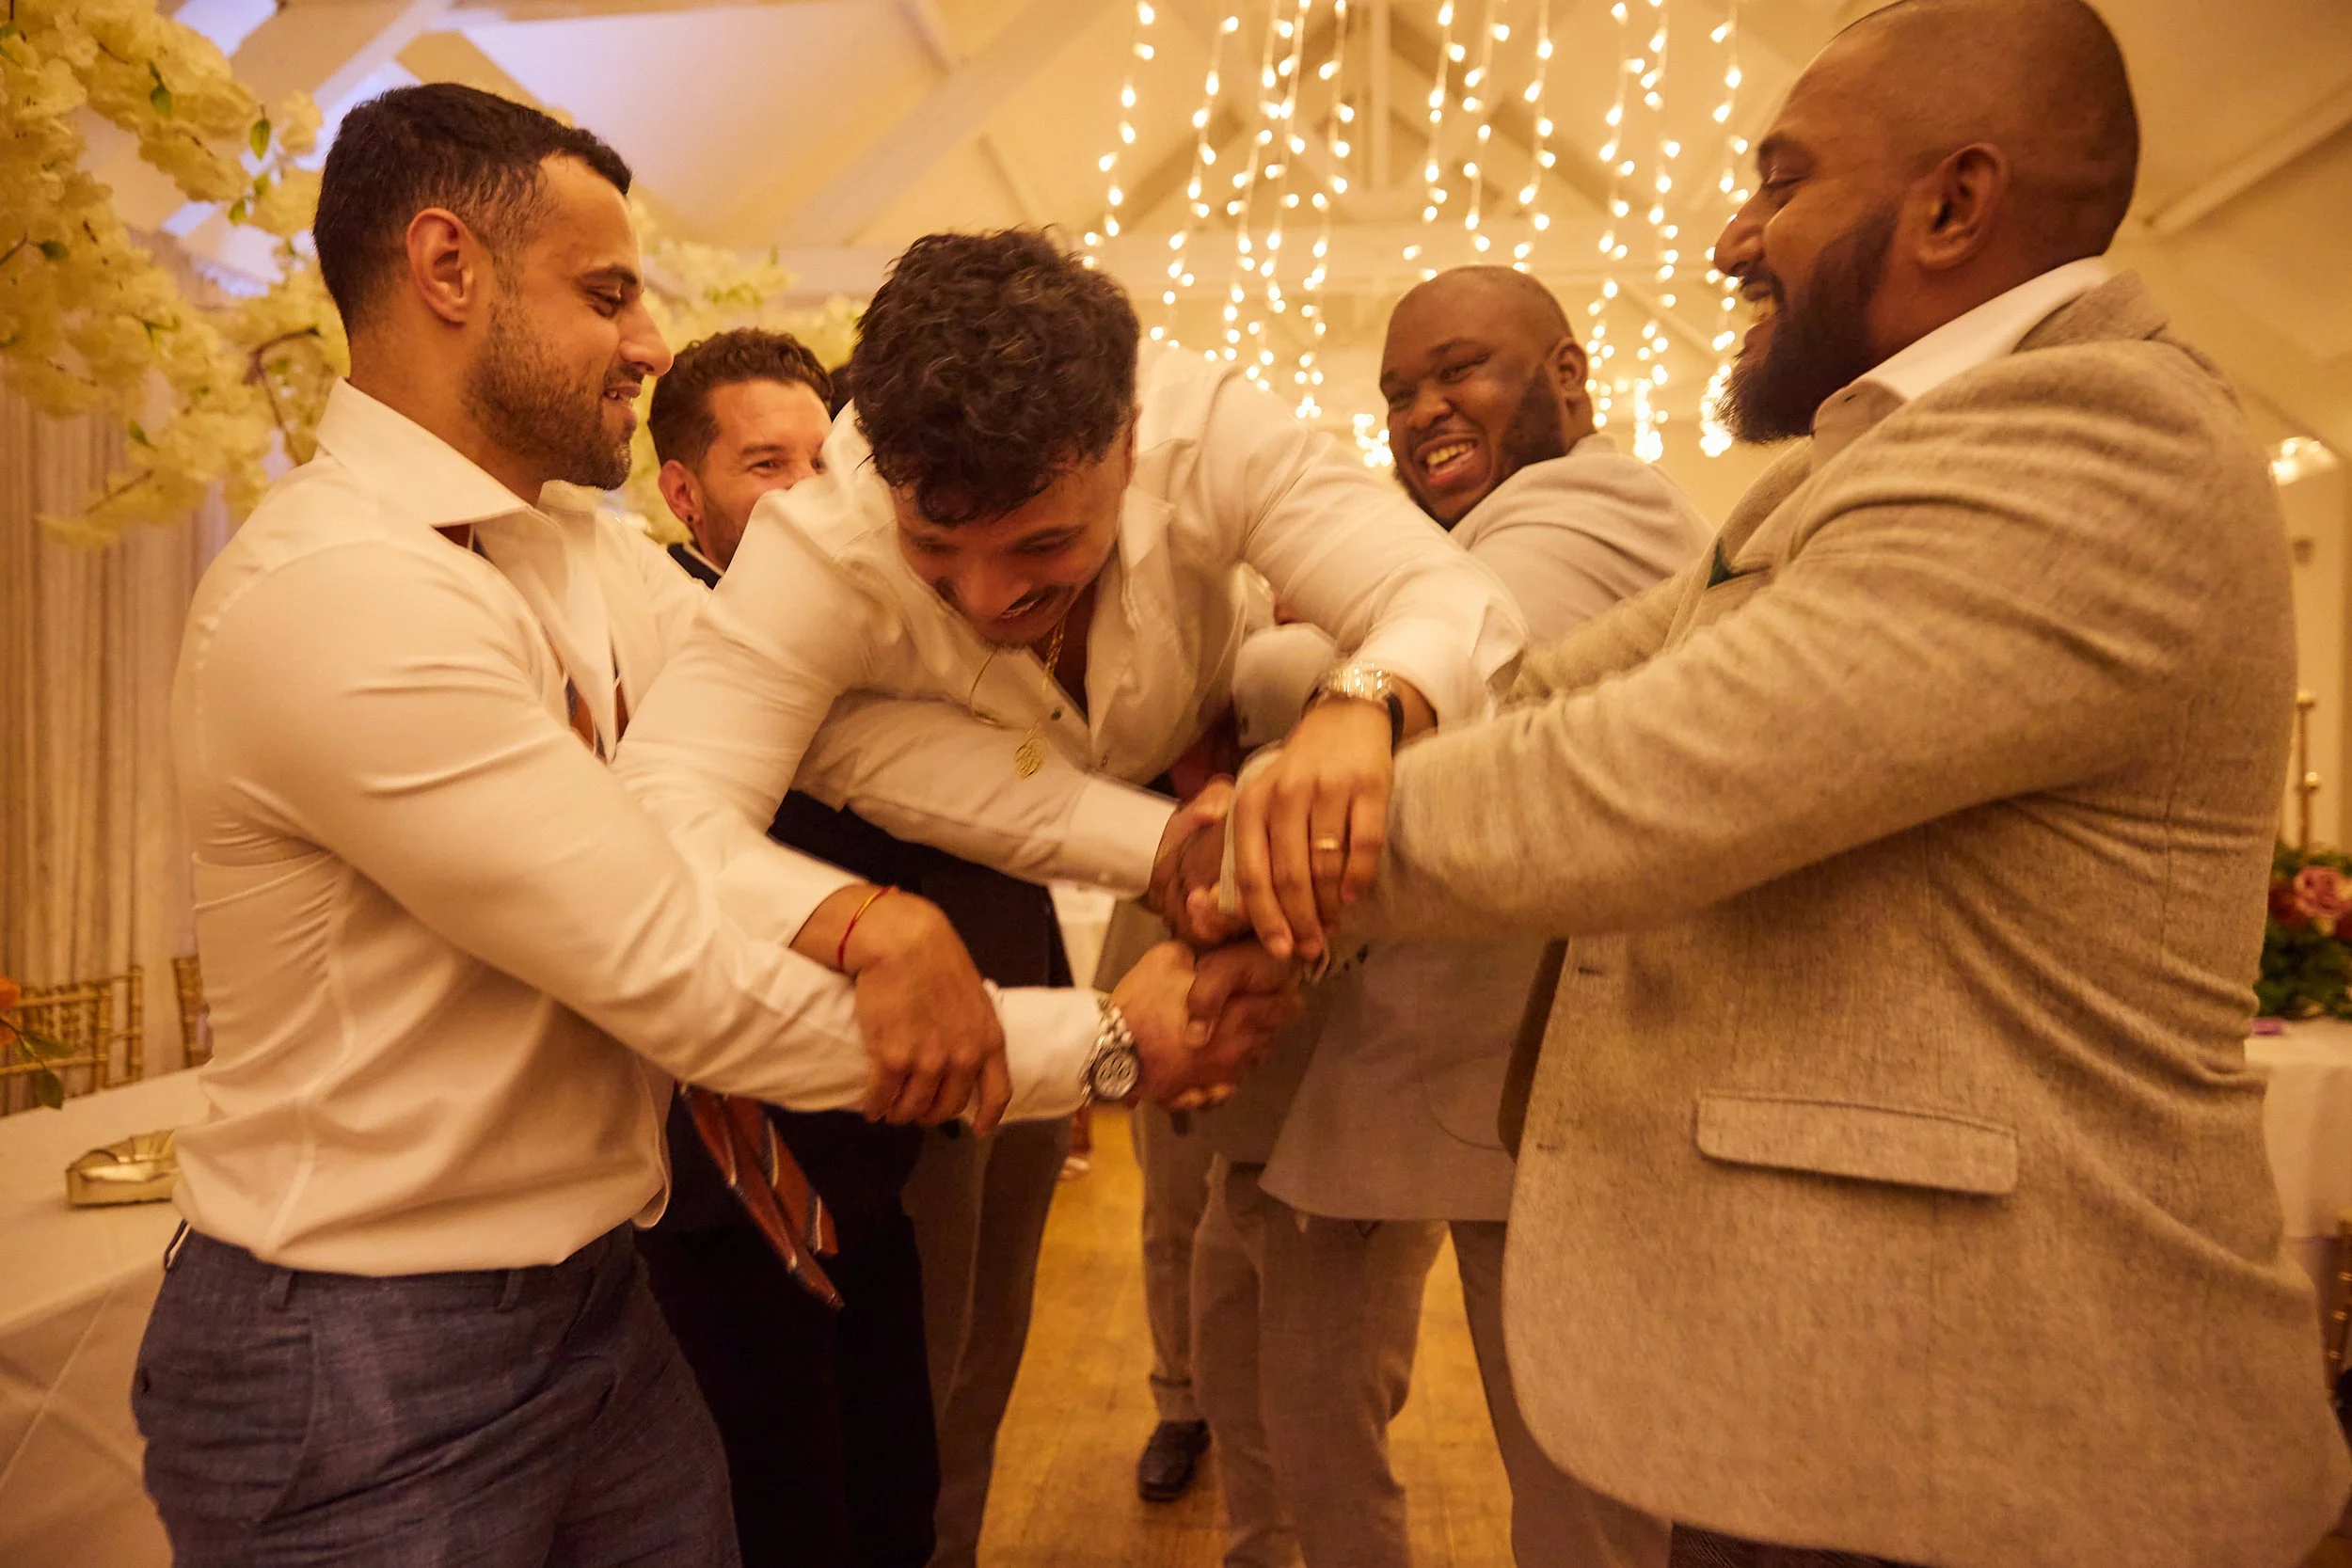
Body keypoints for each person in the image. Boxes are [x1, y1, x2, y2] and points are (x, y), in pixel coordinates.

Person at [1186, 1, 2352, 1562]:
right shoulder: (1846, 466)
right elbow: (1546, 697)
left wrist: (1246, 847)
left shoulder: (2101, 432)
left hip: (2022, 1421)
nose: (1737, 235)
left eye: (1783, 180)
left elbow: (1638, 781)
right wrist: (1365, 713)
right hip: (1849, 1385)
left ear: (1953, 202)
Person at [139, 85, 1295, 1568]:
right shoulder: (340, 594)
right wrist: (1105, 1043)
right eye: (609, 292)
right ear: (446, 270)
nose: (649, 343)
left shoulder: (593, 564)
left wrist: (1165, 844)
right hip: (363, 1342)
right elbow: (673, 970)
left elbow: (861, 747)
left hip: (591, 1303)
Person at [1187, 267, 1705, 1568]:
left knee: (1576, 1465)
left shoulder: (1591, 508)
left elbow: (1483, 662)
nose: (1424, 411)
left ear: (1568, 376)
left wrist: (1280, 712)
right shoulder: (1452, 542)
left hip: (1546, 1061)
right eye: (1399, 392)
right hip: (1413, 1042)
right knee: (1300, 1390)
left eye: (1460, 371)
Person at [640, 326, 969, 1568]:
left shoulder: (871, 633)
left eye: (822, 464)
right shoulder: (672, 641)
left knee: (893, 1496)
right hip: (731, 1179)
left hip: (870, 1155)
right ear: (685, 494)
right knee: (782, 1518)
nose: (804, 498)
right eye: (764, 465)